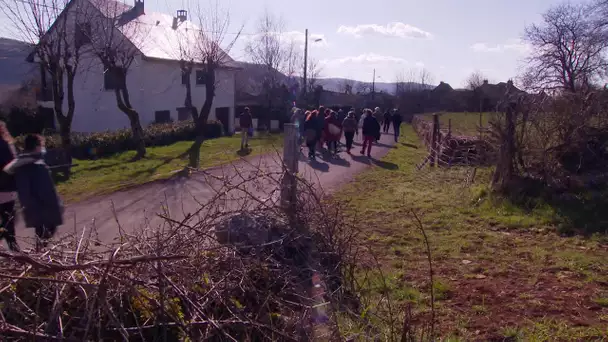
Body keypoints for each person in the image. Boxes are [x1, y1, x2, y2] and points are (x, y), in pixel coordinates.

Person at [4, 135, 63, 251]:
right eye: (41, 145)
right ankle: (40, 257)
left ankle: (40, 255)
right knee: (45, 232)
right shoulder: (32, 165)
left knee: (42, 232)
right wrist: (53, 204)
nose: (42, 148)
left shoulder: (28, 163)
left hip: (37, 207)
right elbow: (42, 189)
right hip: (41, 207)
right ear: (36, 146)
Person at [0, 122, 19, 251]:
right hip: (6, 189)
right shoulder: (5, 146)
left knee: (7, 219)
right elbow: (12, 167)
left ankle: (14, 247)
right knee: (9, 219)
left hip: (4, 188)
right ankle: (14, 248)